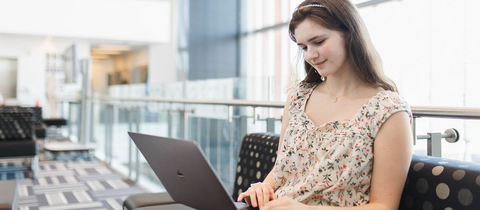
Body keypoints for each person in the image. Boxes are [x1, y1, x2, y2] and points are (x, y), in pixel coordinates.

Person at [237, 0, 413, 209]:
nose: (310, 55)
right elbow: (282, 169)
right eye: (303, 47)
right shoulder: (298, 97)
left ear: (349, 34)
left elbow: (384, 206)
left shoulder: (387, 110)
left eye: (318, 42)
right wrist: (263, 189)